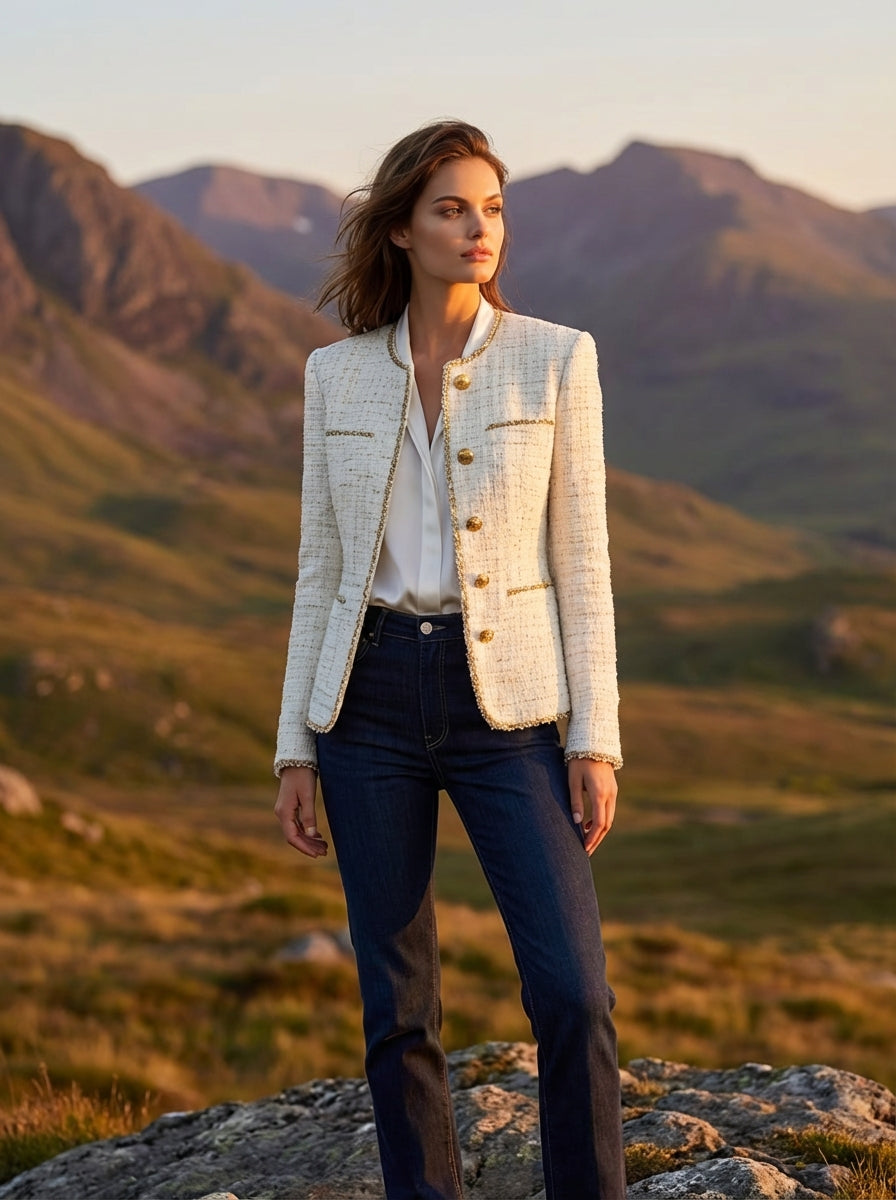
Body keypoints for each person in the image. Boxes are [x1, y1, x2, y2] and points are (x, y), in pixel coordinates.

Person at [274, 120, 625, 1200]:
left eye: (492, 209)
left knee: (570, 989)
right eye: (451, 209)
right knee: (398, 1003)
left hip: (509, 708)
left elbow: (581, 560)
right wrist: (295, 742)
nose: (479, 230)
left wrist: (593, 738)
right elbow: (320, 567)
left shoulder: (555, 357)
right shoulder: (334, 376)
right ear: (399, 229)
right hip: (365, 698)